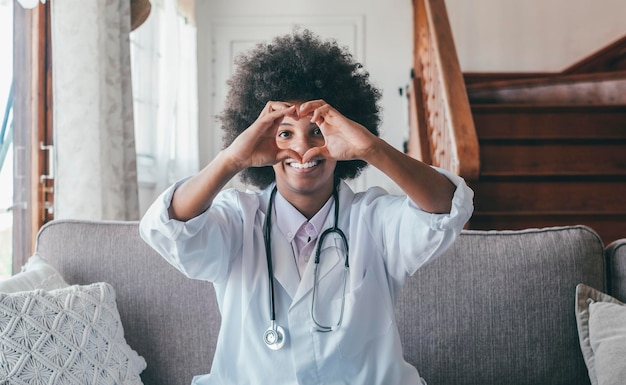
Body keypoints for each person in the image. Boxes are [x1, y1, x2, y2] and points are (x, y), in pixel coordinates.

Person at [139, 29, 474, 385]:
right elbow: (169, 227)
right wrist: (232, 159)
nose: (302, 149)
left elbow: (445, 209)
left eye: (317, 131)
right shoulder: (238, 219)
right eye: (284, 134)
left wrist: (372, 149)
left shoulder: (373, 219)